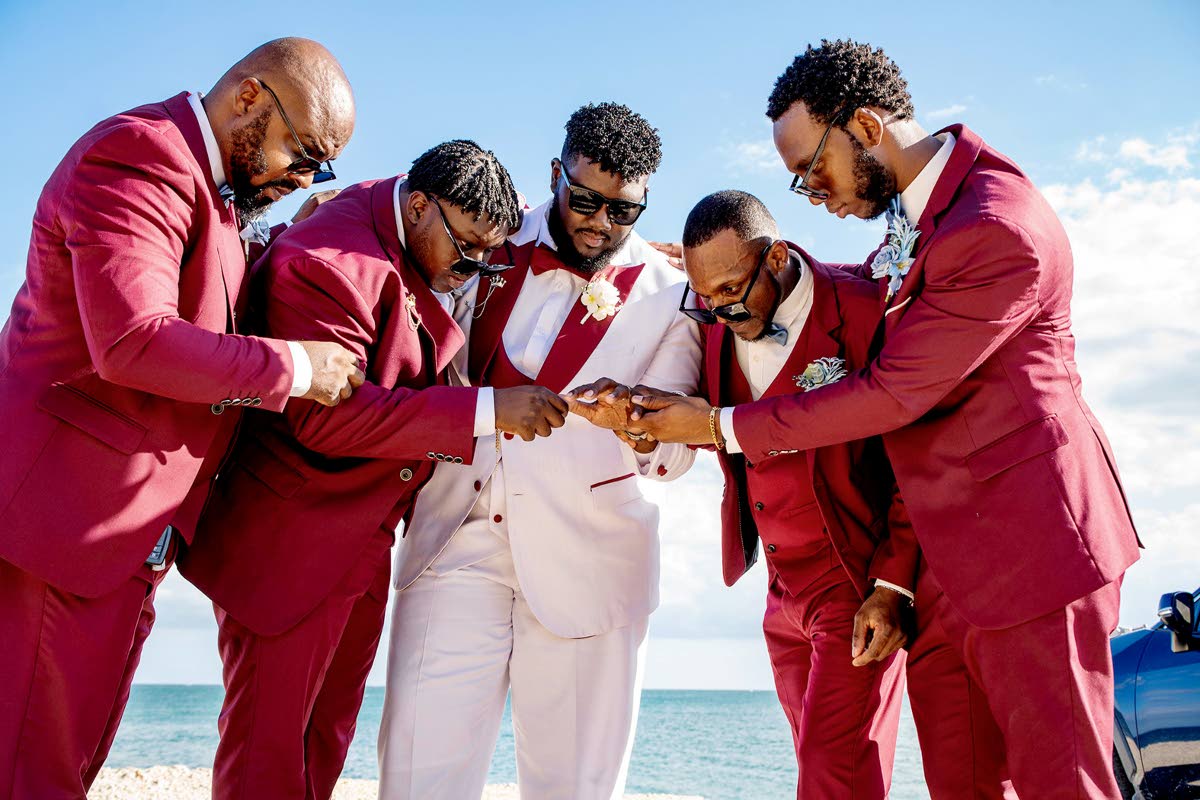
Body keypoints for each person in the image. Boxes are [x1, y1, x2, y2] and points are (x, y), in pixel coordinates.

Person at [634, 39, 1140, 800]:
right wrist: (722, 280)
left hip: (1032, 551)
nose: (813, 193)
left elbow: (891, 392)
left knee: (1060, 785)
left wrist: (717, 428)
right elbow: (861, 286)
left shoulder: (997, 225)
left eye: (813, 170)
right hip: (936, 572)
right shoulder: (924, 219)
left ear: (866, 128)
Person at [0, 38, 361, 800]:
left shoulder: (212, 192)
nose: (304, 177)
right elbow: (133, 341)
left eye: (320, 168)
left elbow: (205, 297)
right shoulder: (141, 154)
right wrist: (296, 366)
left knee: (64, 768)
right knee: (33, 772)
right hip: (66, 529)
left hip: (125, 543)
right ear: (249, 100)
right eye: (303, 155)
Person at [178, 141, 569, 800]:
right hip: (292, 545)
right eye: (468, 249)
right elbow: (328, 420)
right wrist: (486, 408)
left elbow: (499, 224)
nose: (474, 269)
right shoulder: (325, 264)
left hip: (363, 537)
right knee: (266, 755)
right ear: (418, 206)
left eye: (486, 254)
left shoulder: (426, 216)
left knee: (324, 740)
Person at [376, 103, 701, 800]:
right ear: (555, 174)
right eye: (585, 199)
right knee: (415, 778)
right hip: (455, 540)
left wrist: (637, 426)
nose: (601, 224)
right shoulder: (488, 231)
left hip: (593, 563)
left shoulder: (671, 295)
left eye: (624, 211)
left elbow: (674, 456)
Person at [575, 189, 920, 798]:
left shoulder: (866, 308)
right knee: (821, 761)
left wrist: (894, 584)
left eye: (732, 291)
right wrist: (627, 417)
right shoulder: (711, 319)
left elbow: (917, 463)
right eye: (705, 299)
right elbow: (719, 433)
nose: (719, 312)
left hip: (855, 578)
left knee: (830, 768)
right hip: (781, 592)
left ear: (778, 255)